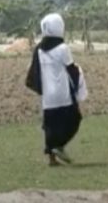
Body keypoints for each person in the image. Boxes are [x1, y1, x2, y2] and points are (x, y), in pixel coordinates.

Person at [28, 13, 84, 166]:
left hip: (48, 94)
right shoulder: (63, 48)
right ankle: (60, 145)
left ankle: (51, 159)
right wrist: (79, 85)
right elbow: (71, 69)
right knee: (74, 118)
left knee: (50, 126)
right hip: (62, 91)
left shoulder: (39, 49)